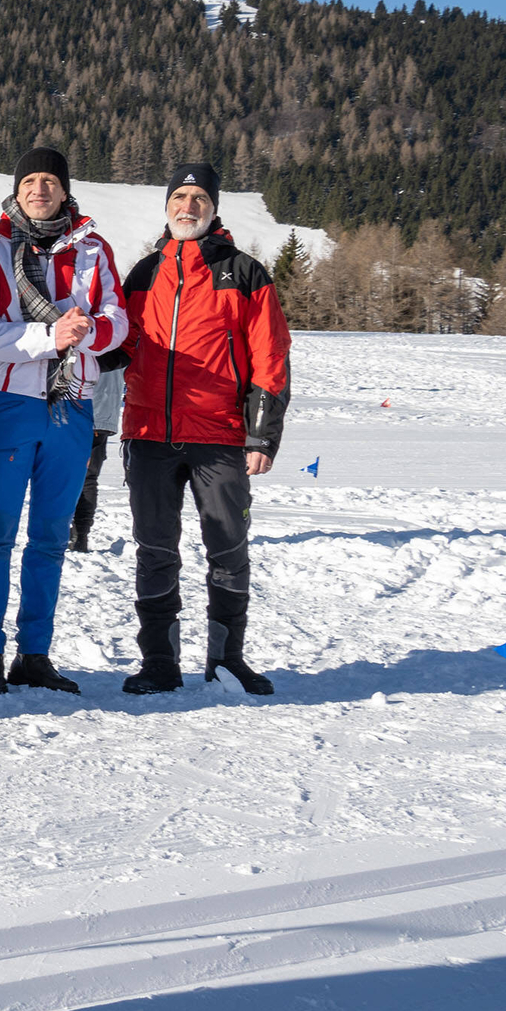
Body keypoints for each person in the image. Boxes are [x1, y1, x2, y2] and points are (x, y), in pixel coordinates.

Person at [118, 162, 293, 695]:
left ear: (214, 208)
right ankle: (159, 663)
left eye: (198, 198)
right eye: (180, 197)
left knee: (227, 547)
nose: (187, 206)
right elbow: (121, 345)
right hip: (148, 433)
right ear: (167, 205)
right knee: (154, 549)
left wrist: (261, 435)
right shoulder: (145, 273)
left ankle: (226, 661)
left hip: (219, 436)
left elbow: (271, 355)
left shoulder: (243, 273)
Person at [0, 147, 128, 696]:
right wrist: (45, 338)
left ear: (63, 190)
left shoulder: (93, 249)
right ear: (18, 189)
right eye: (30, 180)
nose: (39, 189)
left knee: (51, 536)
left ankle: (34, 653)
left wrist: (89, 335)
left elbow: (118, 320)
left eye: (49, 181)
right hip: (11, 403)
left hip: (72, 404)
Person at [71, 364, 124, 553]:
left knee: (72, 477)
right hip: (103, 416)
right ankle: (80, 535)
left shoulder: (89, 339)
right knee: (88, 478)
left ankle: (74, 534)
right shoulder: (119, 338)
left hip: (81, 413)